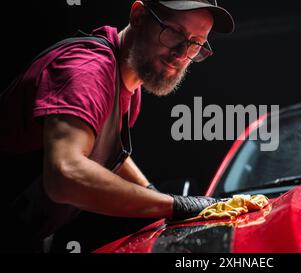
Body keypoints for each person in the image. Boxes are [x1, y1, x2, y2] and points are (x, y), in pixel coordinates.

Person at [0, 0, 234, 252]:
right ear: (138, 16)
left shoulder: (127, 82)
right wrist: (174, 205)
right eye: (175, 32)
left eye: (196, 42)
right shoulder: (87, 71)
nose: (181, 52)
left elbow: (112, 154)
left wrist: (153, 194)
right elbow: (65, 174)